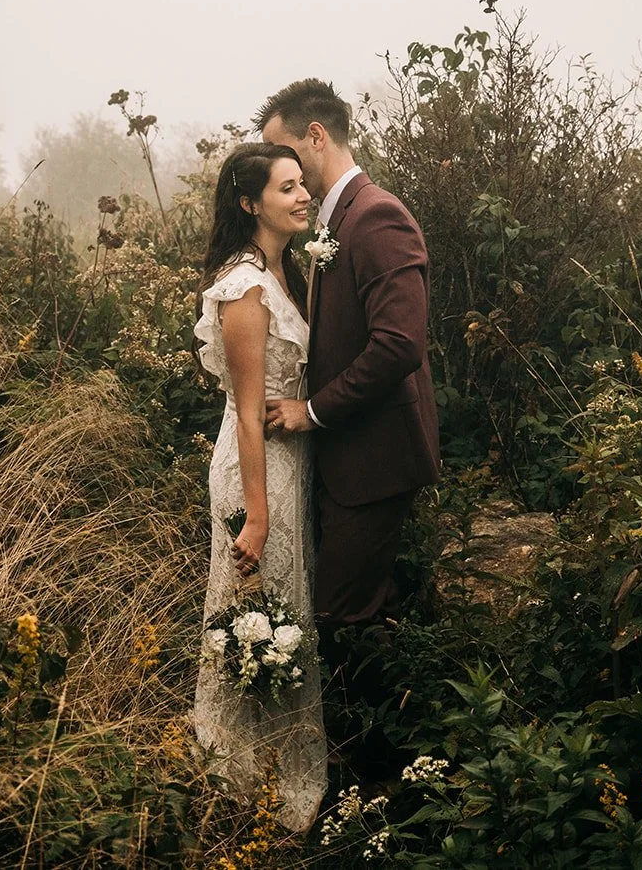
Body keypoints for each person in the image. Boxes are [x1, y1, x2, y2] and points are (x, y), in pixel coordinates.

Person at [258, 78, 439, 780]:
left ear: (315, 138)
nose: (278, 174)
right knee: (366, 613)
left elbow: (399, 345)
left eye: (282, 153)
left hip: (375, 461)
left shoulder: (378, 217)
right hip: (348, 462)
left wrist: (314, 409)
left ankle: (371, 780)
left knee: (342, 621)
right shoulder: (334, 225)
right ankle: (384, 763)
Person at [190, 141, 327, 831]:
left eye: (303, 184)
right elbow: (247, 410)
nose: (304, 196)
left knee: (283, 621)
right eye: (287, 188)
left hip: (287, 468)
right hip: (254, 476)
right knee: (255, 626)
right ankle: (239, 788)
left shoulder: (287, 273)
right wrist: (258, 516)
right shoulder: (244, 286)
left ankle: (267, 787)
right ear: (251, 203)